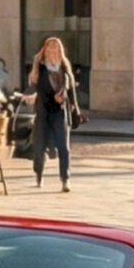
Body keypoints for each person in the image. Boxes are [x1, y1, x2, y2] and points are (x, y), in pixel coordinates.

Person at [27, 35, 80, 191]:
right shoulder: (40, 68)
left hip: (60, 112)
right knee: (39, 146)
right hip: (43, 111)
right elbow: (34, 88)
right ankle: (39, 174)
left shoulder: (64, 68)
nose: (52, 51)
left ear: (60, 51)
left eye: (55, 48)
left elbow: (71, 92)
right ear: (45, 51)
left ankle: (65, 179)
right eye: (49, 48)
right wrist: (31, 96)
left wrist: (73, 107)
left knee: (64, 146)